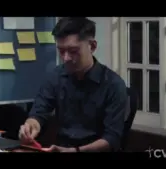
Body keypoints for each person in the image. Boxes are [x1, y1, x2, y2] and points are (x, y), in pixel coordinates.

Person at [18, 17, 128, 152]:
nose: (66, 58)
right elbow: (39, 112)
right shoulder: (56, 77)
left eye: (73, 51)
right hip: (61, 148)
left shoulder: (113, 85)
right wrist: (30, 126)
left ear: (92, 46)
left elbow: (111, 139)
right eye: (61, 51)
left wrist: (76, 151)